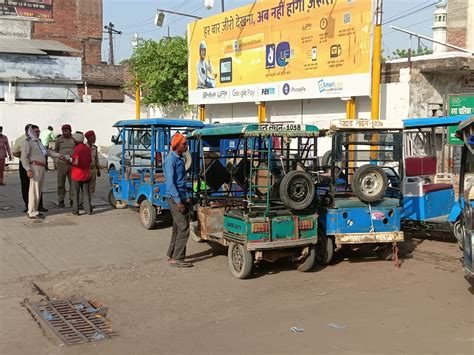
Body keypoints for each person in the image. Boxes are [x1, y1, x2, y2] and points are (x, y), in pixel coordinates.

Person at [21, 125, 63, 219]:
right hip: (34, 167)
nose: (38, 133)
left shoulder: (38, 142)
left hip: (41, 168)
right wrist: (28, 169)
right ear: (31, 132)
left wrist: (58, 155)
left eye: (39, 131)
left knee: (38, 190)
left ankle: (35, 210)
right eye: (36, 131)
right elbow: (24, 157)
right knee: (34, 190)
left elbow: (46, 152)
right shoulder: (28, 142)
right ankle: (31, 211)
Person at [164, 132, 192, 268]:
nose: (186, 146)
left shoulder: (180, 158)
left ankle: (171, 254)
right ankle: (178, 258)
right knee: (184, 228)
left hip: (181, 195)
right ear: (176, 146)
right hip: (175, 198)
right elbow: (170, 183)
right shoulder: (171, 160)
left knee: (177, 227)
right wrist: (178, 201)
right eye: (184, 144)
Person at [12, 124, 46, 213]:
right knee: (25, 185)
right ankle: (28, 206)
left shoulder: (38, 140)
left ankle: (39, 205)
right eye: (35, 131)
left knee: (37, 186)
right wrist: (24, 155)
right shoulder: (21, 140)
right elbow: (15, 152)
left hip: (36, 166)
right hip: (25, 165)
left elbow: (44, 151)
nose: (38, 133)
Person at [70, 132, 92, 216]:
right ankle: (88, 210)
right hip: (86, 174)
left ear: (76, 140)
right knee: (86, 193)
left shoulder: (77, 149)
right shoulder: (87, 149)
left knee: (75, 193)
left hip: (76, 174)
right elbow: (90, 161)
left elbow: (76, 162)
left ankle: (75, 210)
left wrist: (69, 161)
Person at [54, 124, 75, 208]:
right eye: (63, 131)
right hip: (61, 164)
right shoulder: (59, 139)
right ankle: (61, 199)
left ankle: (72, 199)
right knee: (60, 183)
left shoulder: (74, 139)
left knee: (72, 183)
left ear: (70, 131)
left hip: (72, 164)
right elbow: (56, 150)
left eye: (66, 131)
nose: (64, 132)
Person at [84, 130, 101, 201]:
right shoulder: (84, 147)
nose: (94, 139)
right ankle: (82, 202)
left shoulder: (95, 148)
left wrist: (98, 170)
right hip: (85, 170)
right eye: (93, 137)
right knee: (85, 187)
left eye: (95, 137)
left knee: (92, 188)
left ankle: (89, 202)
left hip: (93, 170)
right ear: (88, 138)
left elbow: (96, 159)